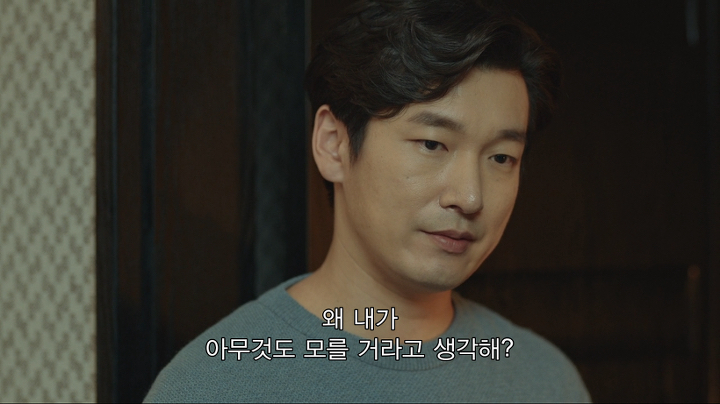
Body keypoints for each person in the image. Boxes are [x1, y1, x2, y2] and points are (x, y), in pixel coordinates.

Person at [145, 0, 591, 401]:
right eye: (432, 144)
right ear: (334, 145)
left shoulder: (546, 381)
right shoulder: (213, 386)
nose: (470, 197)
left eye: (501, 157)